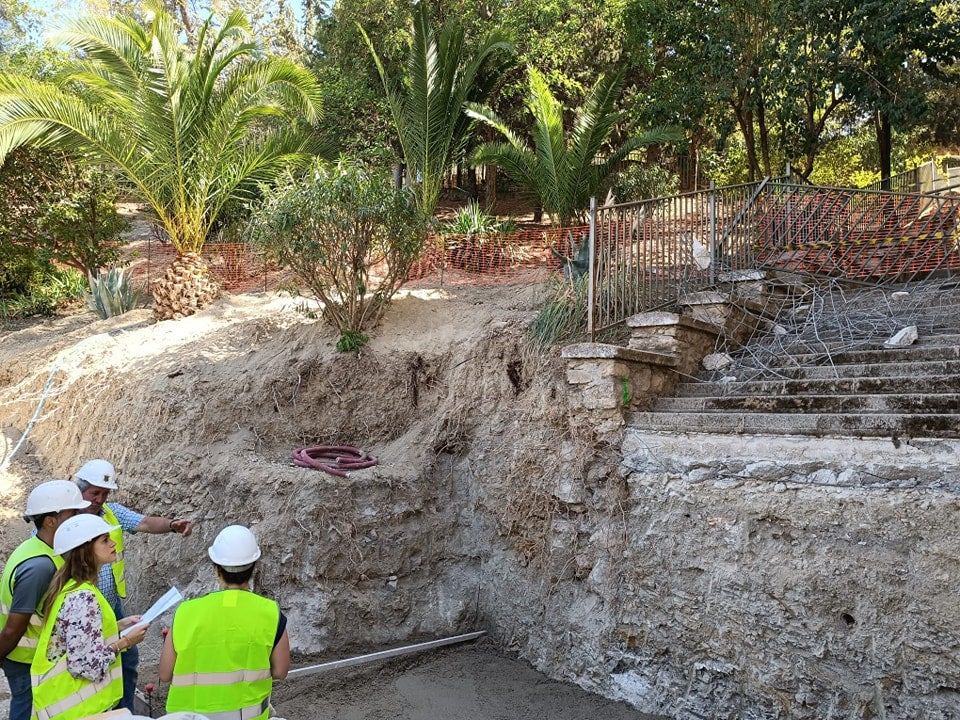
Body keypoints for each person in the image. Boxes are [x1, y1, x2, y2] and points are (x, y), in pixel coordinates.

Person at [74, 458, 193, 711]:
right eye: (95, 493)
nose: (99, 499)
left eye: (104, 494)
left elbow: (145, 523)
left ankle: (125, 711)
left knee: (128, 660)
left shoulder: (111, 513)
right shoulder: (66, 521)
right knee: (92, 663)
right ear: (80, 489)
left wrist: (171, 525)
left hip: (110, 603)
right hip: (81, 607)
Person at [159, 525, 290, 719]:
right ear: (253, 567)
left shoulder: (185, 612)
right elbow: (280, 671)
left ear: (216, 569)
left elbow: (165, 674)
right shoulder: (271, 613)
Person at [31, 514, 149, 720]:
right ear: (85, 550)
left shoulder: (73, 588)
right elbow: (86, 666)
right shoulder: (83, 597)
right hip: (76, 711)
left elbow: (79, 637)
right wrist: (124, 642)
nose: (113, 543)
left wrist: (119, 627)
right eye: (104, 540)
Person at [0, 481, 91, 720]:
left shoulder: (42, 551)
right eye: (73, 513)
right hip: (26, 661)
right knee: (28, 710)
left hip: (33, 659)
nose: (78, 517)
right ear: (51, 521)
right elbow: (12, 628)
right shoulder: (40, 566)